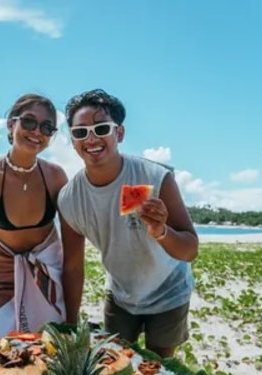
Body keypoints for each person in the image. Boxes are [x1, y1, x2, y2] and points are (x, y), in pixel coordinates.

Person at [58, 89, 199, 358]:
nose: (91, 139)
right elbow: (73, 265)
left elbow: (190, 249)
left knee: (159, 367)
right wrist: (69, 323)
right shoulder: (69, 199)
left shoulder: (155, 177)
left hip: (169, 290)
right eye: (80, 132)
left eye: (101, 129)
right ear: (73, 141)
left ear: (119, 134)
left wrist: (161, 231)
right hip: (120, 295)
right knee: (117, 364)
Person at [0, 93, 69, 337]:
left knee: (49, 354)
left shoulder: (55, 177)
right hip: (4, 279)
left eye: (47, 127)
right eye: (29, 122)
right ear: (12, 124)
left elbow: (73, 237)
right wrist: (8, 255)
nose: (37, 132)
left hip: (48, 278)